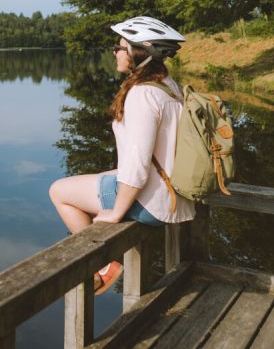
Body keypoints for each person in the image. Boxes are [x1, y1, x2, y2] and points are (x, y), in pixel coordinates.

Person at [49, 16, 196, 295]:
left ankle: (103, 265)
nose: (115, 52)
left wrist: (115, 212)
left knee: (58, 191)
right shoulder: (168, 85)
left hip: (154, 203)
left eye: (120, 47)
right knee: (94, 178)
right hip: (174, 195)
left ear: (138, 52)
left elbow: (138, 164)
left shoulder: (141, 94)